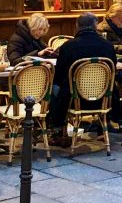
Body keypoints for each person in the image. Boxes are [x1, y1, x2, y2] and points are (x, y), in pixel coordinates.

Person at [48, 12, 117, 144]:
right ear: (96, 26)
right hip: (102, 99)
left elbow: (59, 74)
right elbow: (112, 69)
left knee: (55, 87)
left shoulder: (68, 47)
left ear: (77, 26)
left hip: (74, 99)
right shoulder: (108, 46)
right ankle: (103, 127)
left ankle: (56, 130)